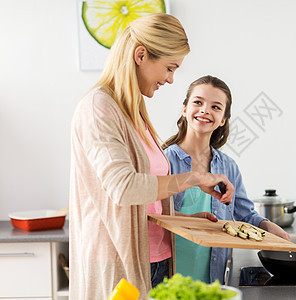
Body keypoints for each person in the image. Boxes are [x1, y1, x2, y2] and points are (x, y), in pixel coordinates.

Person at [69, 15, 234, 300]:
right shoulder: (98, 108)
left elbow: (144, 203)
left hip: (155, 260)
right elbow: (125, 188)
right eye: (170, 68)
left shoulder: (134, 113)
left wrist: (185, 220)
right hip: (116, 260)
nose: (170, 79)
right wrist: (194, 178)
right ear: (141, 55)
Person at [162, 75, 290, 284]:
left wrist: (267, 226)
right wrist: (187, 220)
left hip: (213, 280)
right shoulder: (165, 161)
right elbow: (150, 215)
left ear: (223, 119)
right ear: (184, 109)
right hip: (169, 277)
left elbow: (243, 215)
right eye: (198, 102)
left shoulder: (228, 167)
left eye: (215, 107)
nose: (205, 110)